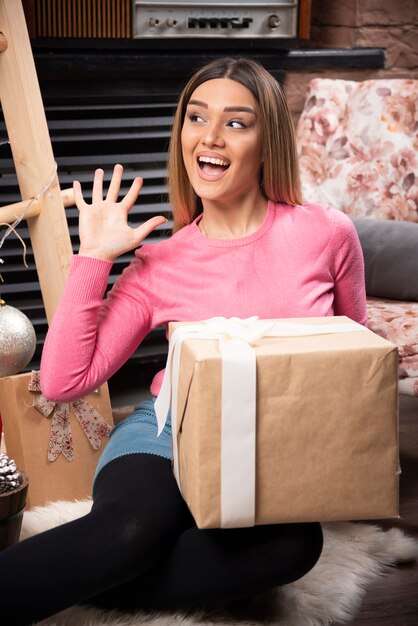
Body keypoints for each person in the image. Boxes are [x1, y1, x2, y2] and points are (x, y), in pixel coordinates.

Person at [0, 57, 366, 625]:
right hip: (168, 430)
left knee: (295, 547)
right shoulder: (161, 261)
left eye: (236, 123)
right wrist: (94, 257)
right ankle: (98, 563)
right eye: (196, 117)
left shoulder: (327, 233)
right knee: (132, 529)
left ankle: (95, 575)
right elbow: (63, 381)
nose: (210, 137)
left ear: (268, 140)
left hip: (268, 448)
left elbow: (355, 357)